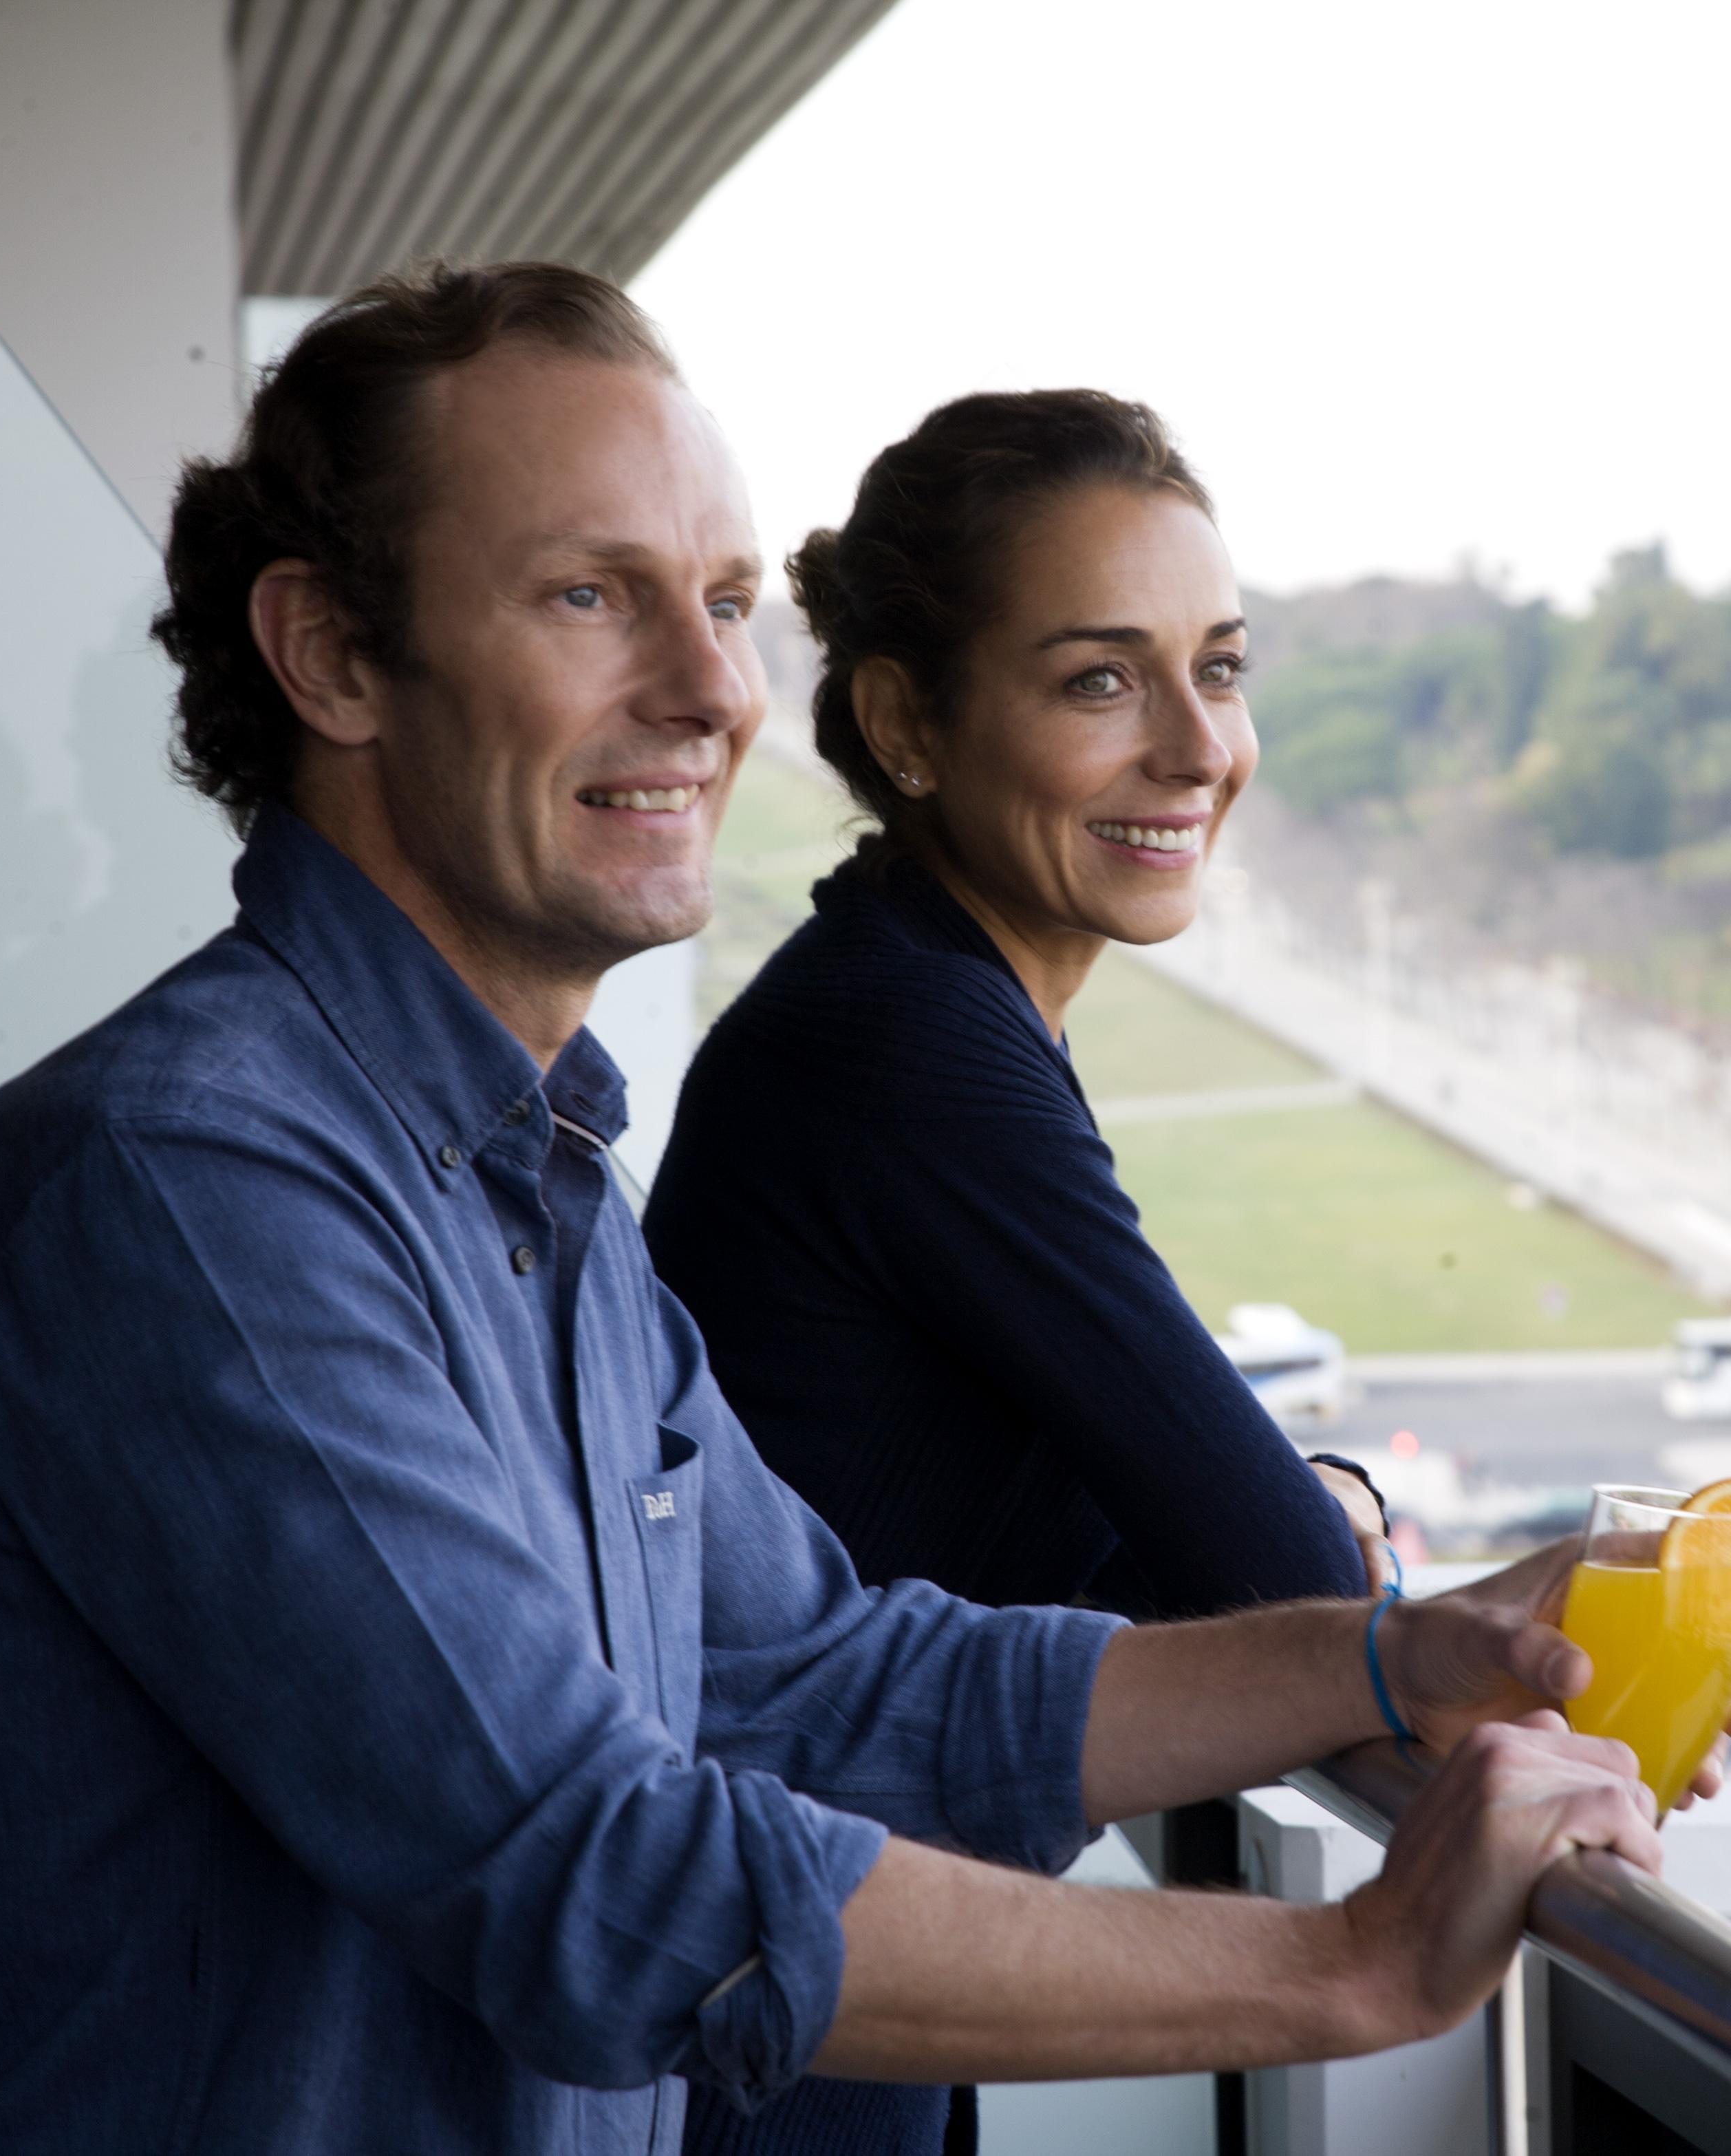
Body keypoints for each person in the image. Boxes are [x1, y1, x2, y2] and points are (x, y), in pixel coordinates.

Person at [0, 262, 1711, 2156]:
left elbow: (825, 1676)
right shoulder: (183, 1181)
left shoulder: (539, 1180)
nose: (713, 689)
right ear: (327, 657)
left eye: (722, 604)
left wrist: (1390, 1652)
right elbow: (593, 1874)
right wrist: (1355, 1965)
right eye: (591, 594)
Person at [643, 392, 1394, 2155]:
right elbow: (1271, 1563)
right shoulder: (914, 1042)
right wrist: (1320, 1524)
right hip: (774, 2029)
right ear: (907, 720)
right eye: (1099, 680)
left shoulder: (912, 992)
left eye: (1220, 666)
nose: (1198, 745)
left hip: (820, 1991)